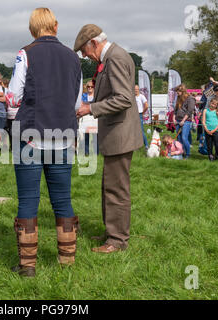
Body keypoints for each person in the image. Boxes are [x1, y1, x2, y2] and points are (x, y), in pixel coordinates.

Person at [6, 8, 82, 277]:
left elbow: (13, 96)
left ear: (32, 29)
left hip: (31, 137)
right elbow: (76, 102)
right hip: (63, 137)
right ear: (56, 26)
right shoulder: (74, 58)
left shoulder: (25, 53)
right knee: (62, 200)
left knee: (28, 200)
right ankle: (67, 262)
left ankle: (28, 267)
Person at [75, 24, 143, 253]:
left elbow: (124, 99)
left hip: (120, 134)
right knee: (109, 186)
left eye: (85, 51)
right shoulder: (113, 57)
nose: (85, 56)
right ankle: (111, 233)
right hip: (117, 133)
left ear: (94, 42)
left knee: (116, 189)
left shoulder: (115, 58)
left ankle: (117, 240)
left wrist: (90, 108)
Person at [174, 84, 195, 159]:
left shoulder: (190, 99)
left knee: (184, 138)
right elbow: (175, 110)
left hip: (186, 121)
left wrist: (183, 120)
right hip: (178, 120)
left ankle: (188, 154)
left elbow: (190, 111)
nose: (177, 93)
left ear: (182, 91)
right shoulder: (178, 98)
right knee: (179, 139)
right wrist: (174, 119)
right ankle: (181, 152)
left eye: (178, 91)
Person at [79, 80, 98, 155]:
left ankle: (96, 153)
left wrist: (86, 104)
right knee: (86, 136)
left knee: (95, 136)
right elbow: (81, 104)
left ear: (94, 88)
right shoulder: (83, 96)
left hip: (94, 118)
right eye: (88, 86)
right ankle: (86, 152)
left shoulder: (97, 96)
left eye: (91, 87)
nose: (90, 88)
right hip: (85, 118)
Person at [202, 97, 218, 161]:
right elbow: (203, 121)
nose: (213, 105)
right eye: (212, 103)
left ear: (217, 105)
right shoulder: (205, 110)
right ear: (210, 103)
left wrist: (214, 130)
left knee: (217, 144)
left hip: (216, 130)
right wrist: (207, 130)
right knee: (209, 144)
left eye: (215, 104)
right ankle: (210, 155)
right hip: (207, 130)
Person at [135, 84, 149, 150]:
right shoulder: (132, 97)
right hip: (133, 115)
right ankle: (136, 146)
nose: (136, 90)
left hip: (139, 114)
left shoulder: (141, 96)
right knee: (134, 131)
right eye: (135, 89)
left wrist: (142, 112)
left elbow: (146, 105)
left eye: (137, 89)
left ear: (139, 90)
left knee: (141, 131)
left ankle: (146, 145)